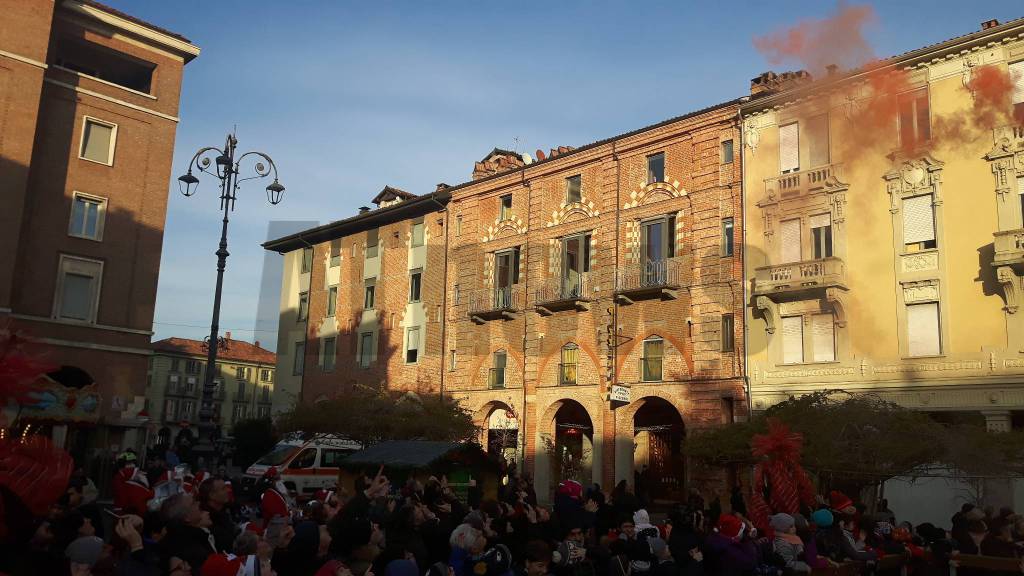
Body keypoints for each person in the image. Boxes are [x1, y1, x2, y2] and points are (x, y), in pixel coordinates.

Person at [160, 492, 217, 571]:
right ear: (187, 518)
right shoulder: (189, 550)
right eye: (193, 503)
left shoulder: (195, 536)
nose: (198, 503)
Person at [198, 476, 238, 553]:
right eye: (223, 489)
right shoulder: (206, 520)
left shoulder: (222, 511)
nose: (228, 490)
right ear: (211, 495)